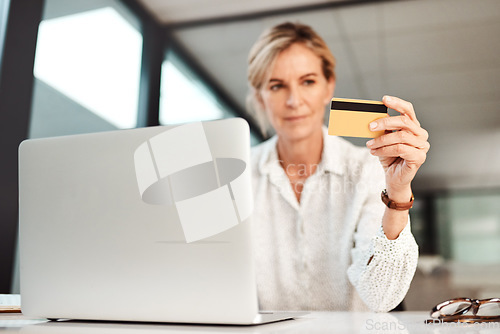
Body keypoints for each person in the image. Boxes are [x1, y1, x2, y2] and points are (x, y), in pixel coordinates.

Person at [247, 22, 429, 312]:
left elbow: (381, 296)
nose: (294, 101)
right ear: (260, 96)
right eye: (277, 85)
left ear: (328, 86)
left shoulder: (367, 169)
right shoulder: (239, 176)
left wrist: (397, 193)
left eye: (308, 81)